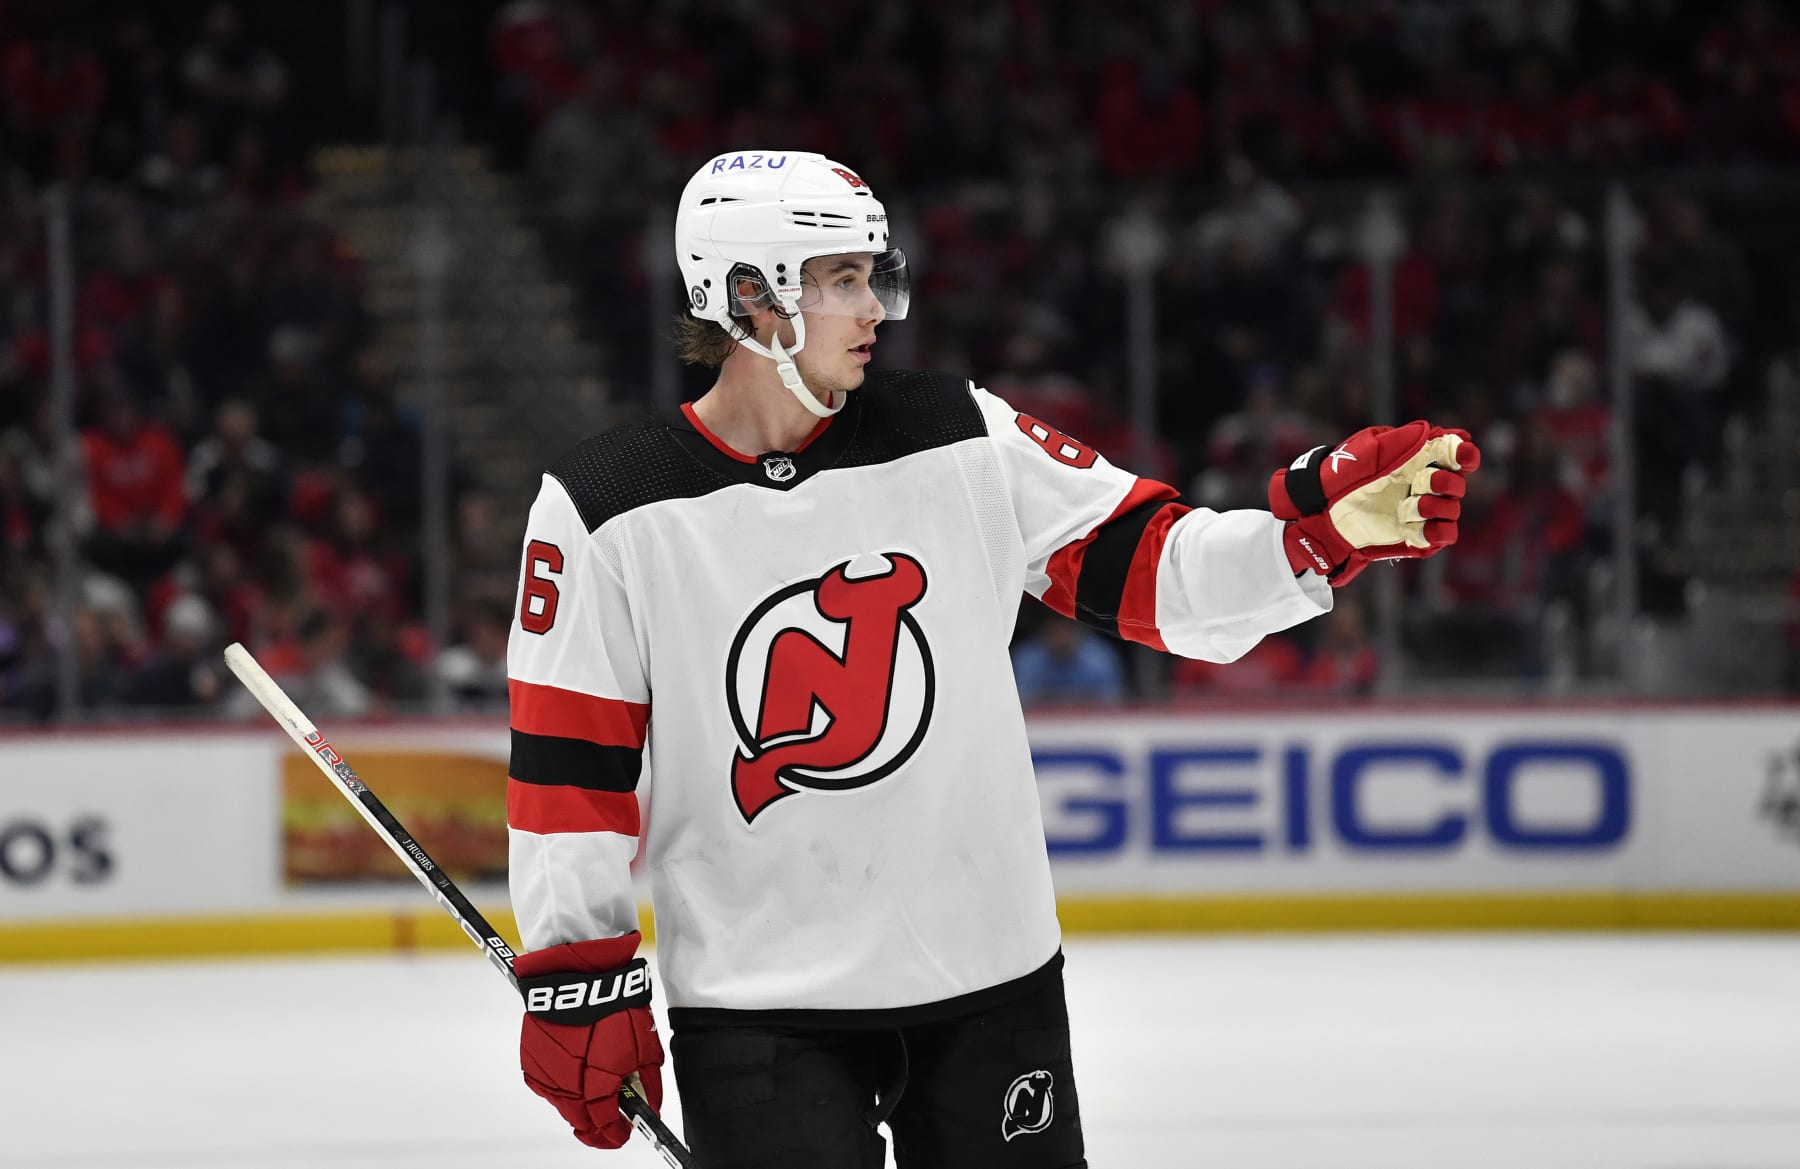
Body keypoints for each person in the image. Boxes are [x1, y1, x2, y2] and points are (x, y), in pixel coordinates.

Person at [504, 151, 1480, 1168]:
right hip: (762, 1010)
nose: (876, 306)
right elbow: (572, 770)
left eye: (875, 275)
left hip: (989, 986)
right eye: (841, 279)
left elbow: (1157, 570)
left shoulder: (961, 434)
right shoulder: (603, 507)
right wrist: (579, 965)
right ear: (747, 295)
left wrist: (1309, 540)